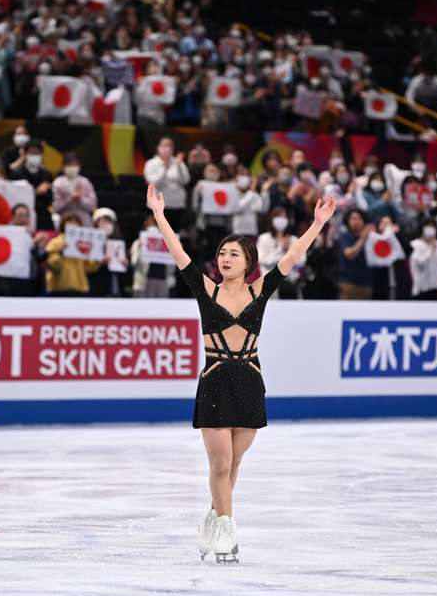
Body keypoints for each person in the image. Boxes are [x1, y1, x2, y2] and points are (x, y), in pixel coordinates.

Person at [145, 182, 336, 564]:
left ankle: (214, 517)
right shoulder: (205, 290)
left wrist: (317, 225)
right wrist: (159, 215)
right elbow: (178, 252)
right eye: (222, 253)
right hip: (215, 379)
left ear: (248, 262)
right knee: (219, 464)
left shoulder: (260, 291)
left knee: (234, 464)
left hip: (249, 381)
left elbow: (294, 254)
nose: (226, 258)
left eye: (234, 253)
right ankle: (228, 531)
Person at [44, 213, 104, 296]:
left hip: (80, 288)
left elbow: (89, 267)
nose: (73, 224)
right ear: (63, 224)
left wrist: (97, 258)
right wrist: (60, 253)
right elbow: (52, 265)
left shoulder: (83, 244)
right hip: (59, 288)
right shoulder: (55, 243)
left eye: (76, 222)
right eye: (70, 221)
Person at [143, 137, 191, 228]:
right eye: (164, 145)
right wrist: (164, 169)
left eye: (169, 146)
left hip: (176, 204)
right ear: (158, 147)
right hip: (157, 205)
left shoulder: (178, 162)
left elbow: (186, 180)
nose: (167, 149)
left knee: (174, 232)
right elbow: (152, 182)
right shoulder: (151, 163)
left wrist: (179, 167)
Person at [130, 215, 174, 298]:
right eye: (150, 228)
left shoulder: (167, 244)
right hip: (143, 282)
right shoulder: (138, 243)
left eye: (157, 228)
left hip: (162, 281)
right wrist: (140, 247)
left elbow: (172, 268)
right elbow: (133, 264)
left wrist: (173, 249)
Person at [338, 209, 376, 299]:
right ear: (348, 221)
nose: (356, 222)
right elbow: (349, 254)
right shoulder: (345, 236)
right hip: (349, 285)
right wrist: (363, 239)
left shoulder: (372, 236)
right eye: (353, 219)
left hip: (367, 285)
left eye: (359, 218)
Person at [51, 153, 97, 227]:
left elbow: (93, 205)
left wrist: (80, 200)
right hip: (65, 222)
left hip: (84, 223)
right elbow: (55, 207)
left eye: (75, 164)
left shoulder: (85, 182)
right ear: (63, 166)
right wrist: (70, 199)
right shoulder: (58, 183)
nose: (72, 167)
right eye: (69, 164)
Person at [409, 219, 437, 300]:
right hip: (422, 288)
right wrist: (431, 250)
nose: (430, 229)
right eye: (428, 226)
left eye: (433, 227)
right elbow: (421, 265)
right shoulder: (415, 244)